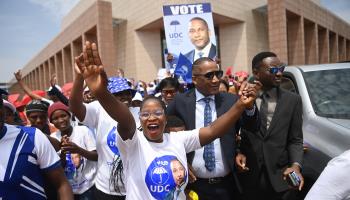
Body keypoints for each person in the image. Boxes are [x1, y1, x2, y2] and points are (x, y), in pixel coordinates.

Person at [75, 41, 259, 200]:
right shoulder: (132, 143)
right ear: (139, 119)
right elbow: (125, 120)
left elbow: (212, 131)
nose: (152, 117)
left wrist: (240, 106)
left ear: (166, 117)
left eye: (157, 113)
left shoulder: (178, 140)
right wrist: (101, 93)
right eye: (145, 114)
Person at [167, 57, 259, 200]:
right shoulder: (180, 102)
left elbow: (251, 128)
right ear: (195, 79)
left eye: (218, 74)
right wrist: (179, 161)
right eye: (209, 76)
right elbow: (164, 136)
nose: (216, 80)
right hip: (193, 187)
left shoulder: (231, 100)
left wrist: (249, 107)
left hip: (227, 186)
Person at [237, 51, 304, 200]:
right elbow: (235, 132)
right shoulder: (243, 98)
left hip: (281, 179)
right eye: (273, 70)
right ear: (256, 73)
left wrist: (296, 166)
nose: (279, 73)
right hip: (250, 177)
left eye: (281, 68)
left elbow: (296, 139)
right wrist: (238, 152)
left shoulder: (293, 101)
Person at [70, 60, 139, 200]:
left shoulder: (141, 112)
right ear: (109, 96)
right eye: (119, 94)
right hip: (106, 189)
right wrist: (79, 77)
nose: (125, 97)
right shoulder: (99, 109)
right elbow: (76, 107)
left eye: (128, 93)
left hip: (137, 187)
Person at [0, 88, 73, 200]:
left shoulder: (32, 137)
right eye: (34, 117)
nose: (39, 120)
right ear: (27, 117)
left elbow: (61, 184)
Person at [48, 102, 97, 199]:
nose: (61, 120)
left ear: (69, 115)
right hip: (69, 190)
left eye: (63, 116)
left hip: (90, 186)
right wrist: (62, 152)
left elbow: (96, 156)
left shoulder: (82, 130)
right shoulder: (53, 138)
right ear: (51, 122)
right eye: (56, 118)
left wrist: (78, 150)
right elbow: (60, 167)